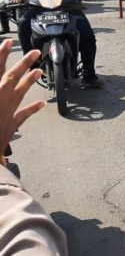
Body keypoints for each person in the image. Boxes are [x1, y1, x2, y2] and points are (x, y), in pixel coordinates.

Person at [0, 39, 69, 255]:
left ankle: (88, 70)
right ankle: (35, 60)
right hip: (38, 12)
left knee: (86, 36)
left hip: (66, 11)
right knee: (24, 25)